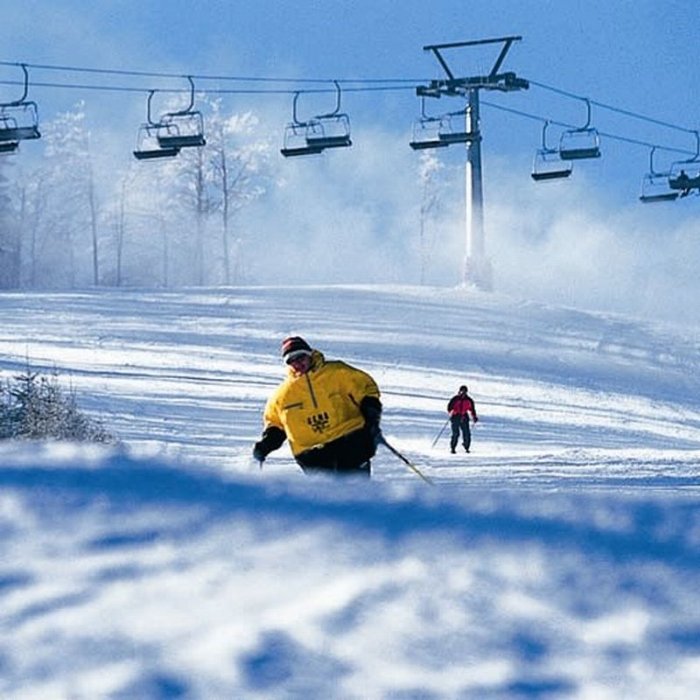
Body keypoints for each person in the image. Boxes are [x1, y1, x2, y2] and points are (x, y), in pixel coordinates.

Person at [253, 336, 383, 477]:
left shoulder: (338, 373)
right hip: (311, 455)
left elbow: (367, 390)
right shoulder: (282, 396)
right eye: (291, 361)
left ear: (310, 355)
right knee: (327, 490)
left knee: (355, 486)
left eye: (301, 357)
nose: (298, 363)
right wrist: (266, 445)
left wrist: (371, 411)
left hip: (350, 441)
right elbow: (276, 424)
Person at [447, 385, 478, 454]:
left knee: (466, 433)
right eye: (462, 391)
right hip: (455, 416)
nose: (463, 393)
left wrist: (474, 417)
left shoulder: (469, 400)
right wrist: (451, 411)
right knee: (456, 433)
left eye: (465, 391)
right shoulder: (455, 399)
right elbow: (449, 407)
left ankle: (466, 447)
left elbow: (472, 409)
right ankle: (453, 448)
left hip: (464, 417)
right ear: (459, 391)